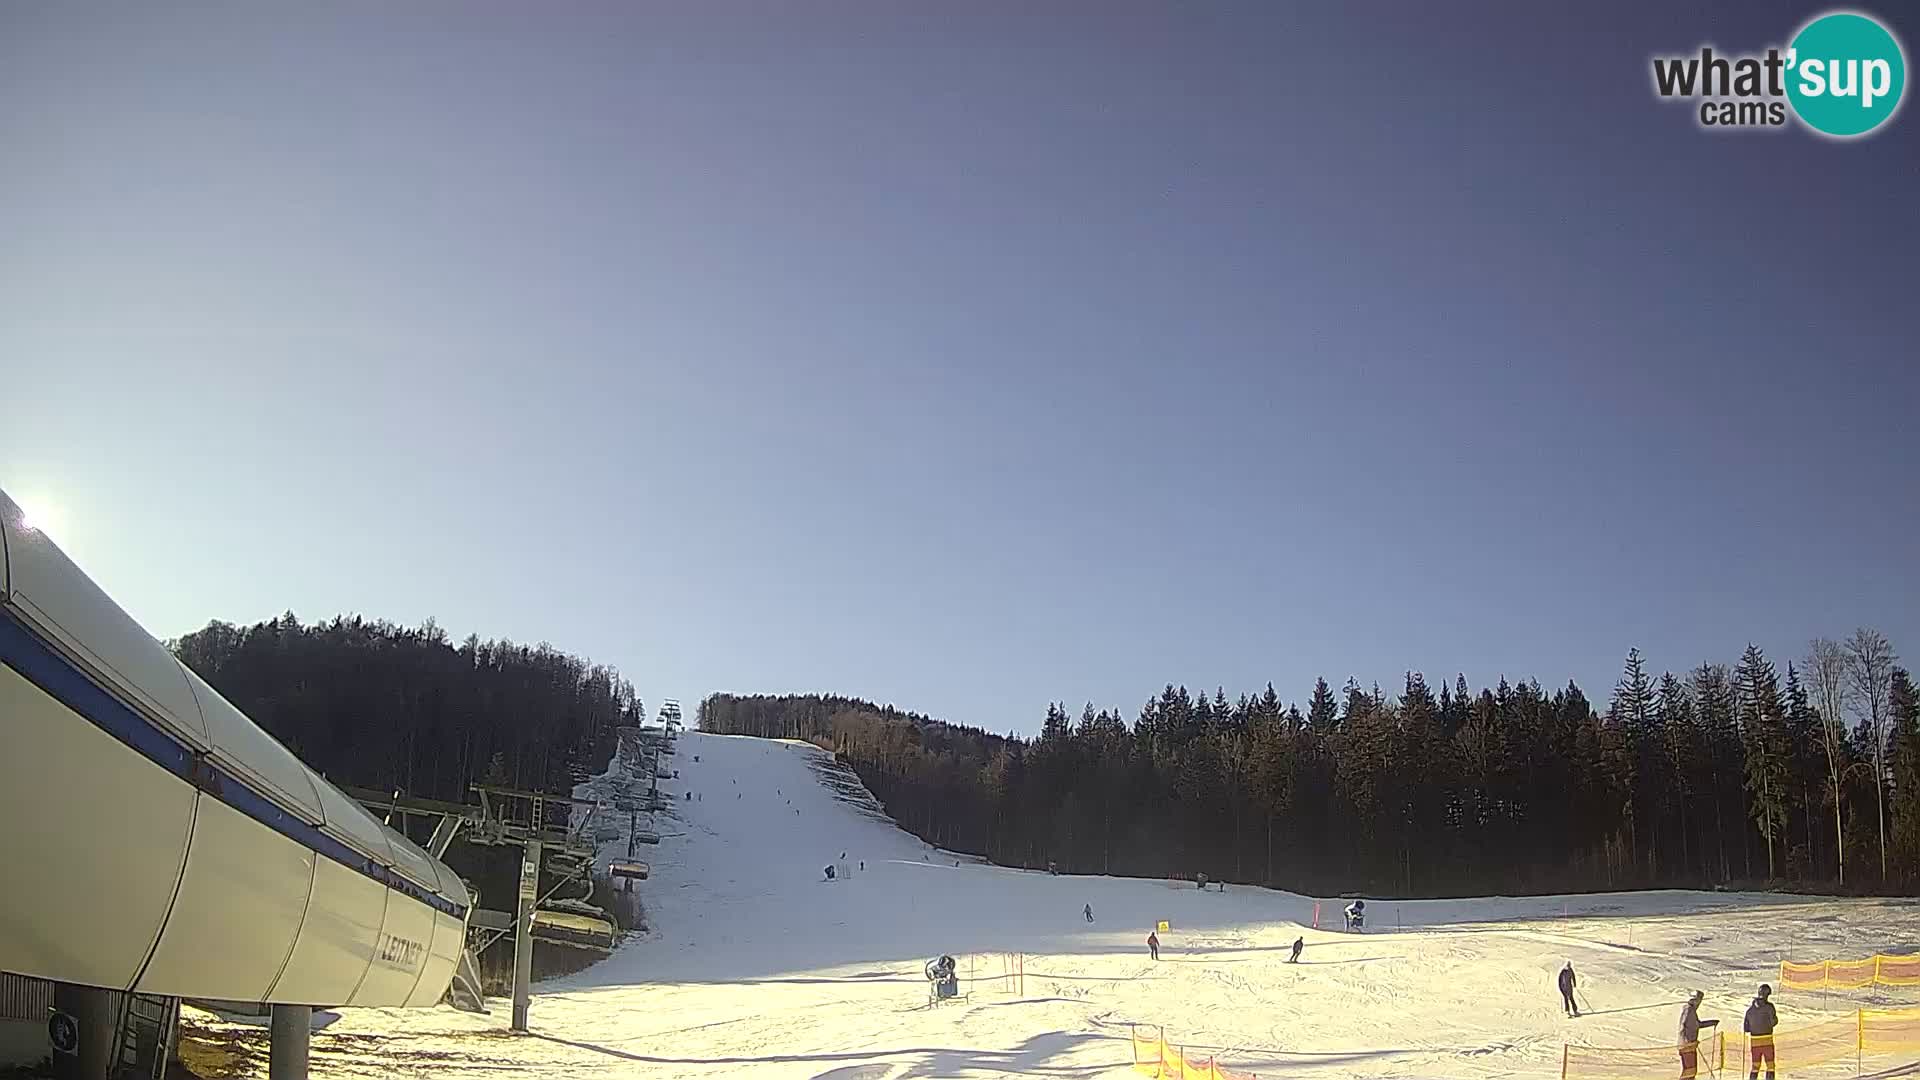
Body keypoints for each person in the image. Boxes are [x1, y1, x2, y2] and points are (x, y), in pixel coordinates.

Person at [1678, 991, 1719, 1079]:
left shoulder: (1689, 1009)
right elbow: (1683, 1026)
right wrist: (1689, 1042)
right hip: (1688, 1046)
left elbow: (1697, 1025)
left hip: (1686, 1045)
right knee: (1690, 1072)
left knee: (1689, 1071)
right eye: (1699, 1000)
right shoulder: (1689, 1010)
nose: (1699, 1003)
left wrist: (1712, 1022)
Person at [1743, 984, 1777, 1080]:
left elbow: (1746, 1028)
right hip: (1767, 1041)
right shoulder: (1769, 1007)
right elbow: (1773, 1022)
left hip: (1754, 1042)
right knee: (1770, 1066)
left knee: (1755, 1066)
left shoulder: (1749, 1010)